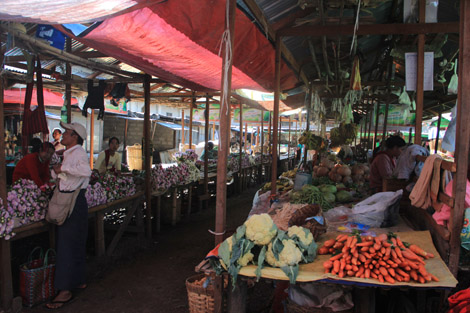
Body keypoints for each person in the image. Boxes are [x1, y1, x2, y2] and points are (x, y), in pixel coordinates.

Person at [46, 122, 91, 309]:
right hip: (75, 201)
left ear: (75, 137)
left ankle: (64, 290)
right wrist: (58, 173)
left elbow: (86, 171)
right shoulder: (69, 153)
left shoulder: (78, 153)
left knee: (66, 245)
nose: (63, 135)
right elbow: (73, 177)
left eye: (66, 132)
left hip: (72, 202)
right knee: (76, 242)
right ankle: (78, 279)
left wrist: (62, 170)